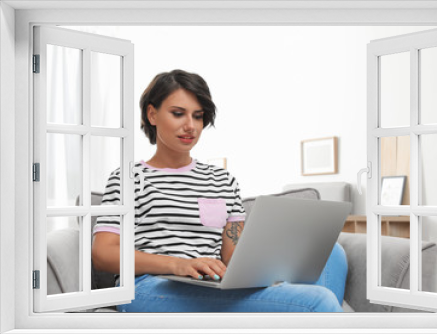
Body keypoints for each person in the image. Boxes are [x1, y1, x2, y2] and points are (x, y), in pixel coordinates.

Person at [91, 69, 348, 312]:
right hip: (150, 287)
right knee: (319, 301)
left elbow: (233, 254)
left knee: (333, 253)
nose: (190, 125)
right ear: (152, 114)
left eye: (198, 115)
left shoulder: (222, 180)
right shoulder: (129, 178)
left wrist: (272, 267)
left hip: (210, 283)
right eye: (178, 113)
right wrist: (178, 264)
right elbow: (103, 253)